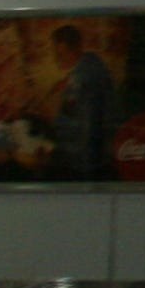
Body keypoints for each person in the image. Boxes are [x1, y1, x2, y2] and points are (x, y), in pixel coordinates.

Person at [49, 24, 118, 179]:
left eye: (56, 49)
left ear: (63, 47)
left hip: (81, 163)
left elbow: (88, 125)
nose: (55, 55)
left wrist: (85, 165)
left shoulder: (85, 78)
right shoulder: (87, 69)